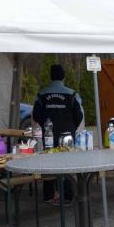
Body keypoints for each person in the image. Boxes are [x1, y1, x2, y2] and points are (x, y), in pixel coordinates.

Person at [32, 64, 84, 206]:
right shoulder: (72, 94)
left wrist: (46, 124)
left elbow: (36, 115)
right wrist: (71, 127)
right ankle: (67, 196)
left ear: (51, 76)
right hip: (67, 136)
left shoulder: (42, 95)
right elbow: (79, 116)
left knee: (48, 163)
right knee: (66, 164)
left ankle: (49, 195)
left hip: (49, 136)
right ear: (63, 76)